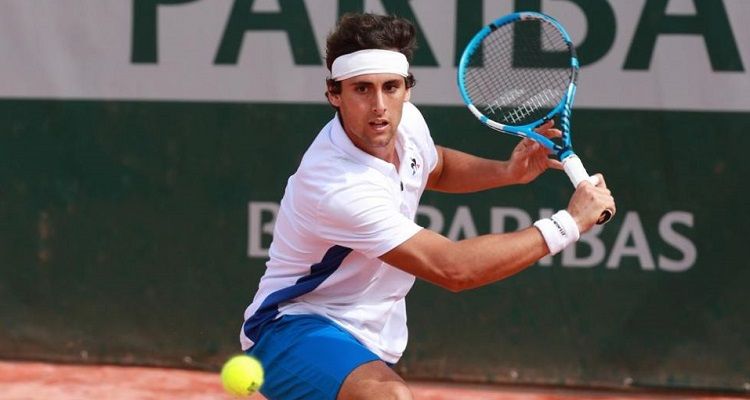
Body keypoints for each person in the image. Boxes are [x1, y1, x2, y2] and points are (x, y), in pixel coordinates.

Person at [240, 13, 615, 400]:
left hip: (366, 333)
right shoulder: (337, 186)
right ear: (334, 94)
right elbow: (455, 269)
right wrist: (569, 223)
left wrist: (507, 171)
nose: (379, 106)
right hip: (288, 327)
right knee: (388, 398)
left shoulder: (406, 126)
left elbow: (436, 166)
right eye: (362, 89)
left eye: (391, 87)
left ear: (407, 89)